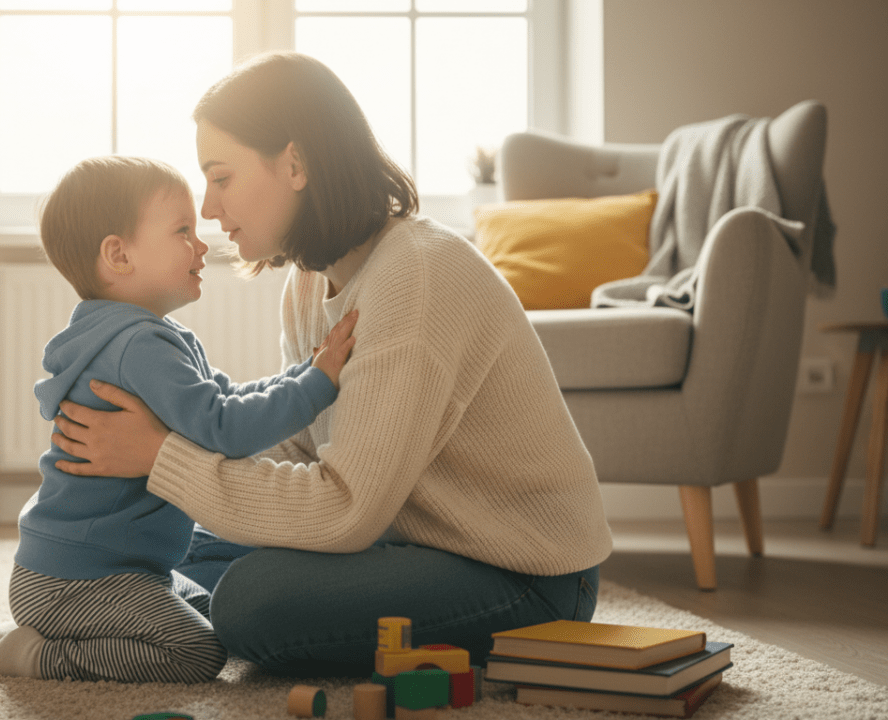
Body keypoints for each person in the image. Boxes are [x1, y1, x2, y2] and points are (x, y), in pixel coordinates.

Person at [46, 52, 614, 677]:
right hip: (402, 537)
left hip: (523, 573)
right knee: (173, 548)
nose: (208, 210)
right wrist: (161, 453)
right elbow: (302, 448)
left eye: (222, 177)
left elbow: (346, 509)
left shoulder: (416, 276)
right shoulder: (311, 283)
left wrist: (160, 456)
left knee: (249, 602)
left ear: (295, 164)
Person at [0, 155, 359, 683]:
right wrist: (317, 386)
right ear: (118, 255)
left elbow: (223, 398)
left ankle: (42, 628)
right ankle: (40, 655)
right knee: (199, 654)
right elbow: (225, 427)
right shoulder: (140, 345)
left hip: (96, 571)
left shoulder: (132, 334)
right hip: (80, 580)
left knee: (214, 612)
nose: (203, 244)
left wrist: (303, 372)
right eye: (183, 231)